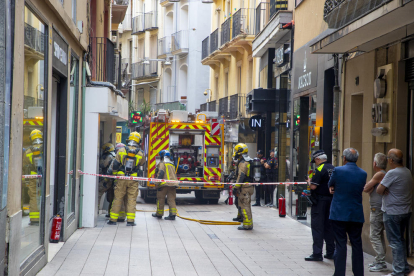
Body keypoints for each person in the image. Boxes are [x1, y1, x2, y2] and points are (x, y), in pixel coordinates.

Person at [328, 148, 367, 276]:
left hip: (339, 213)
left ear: (344, 158)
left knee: (340, 244)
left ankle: (339, 273)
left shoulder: (338, 170)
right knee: (356, 244)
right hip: (355, 213)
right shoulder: (363, 173)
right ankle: (358, 273)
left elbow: (331, 183)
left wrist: (333, 188)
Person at [377, 149, 413, 276]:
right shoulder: (407, 171)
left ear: (391, 160)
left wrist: (385, 187)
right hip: (405, 210)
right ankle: (403, 268)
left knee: (395, 242)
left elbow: (379, 190)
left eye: (388, 158)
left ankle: (398, 271)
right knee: (400, 240)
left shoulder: (392, 173)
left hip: (393, 211)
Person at [108, 132, 145, 226]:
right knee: (131, 199)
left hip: (121, 178)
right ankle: (130, 221)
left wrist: (115, 177)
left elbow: (115, 165)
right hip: (133, 179)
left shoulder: (121, 150)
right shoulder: (140, 153)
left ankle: (113, 220)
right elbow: (142, 164)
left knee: (118, 198)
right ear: (138, 141)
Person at [304, 150, 335, 262]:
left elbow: (313, 187)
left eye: (315, 161)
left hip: (320, 202)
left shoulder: (320, 169)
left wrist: (309, 181)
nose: (315, 163)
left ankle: (317, 253)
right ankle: (331, 252)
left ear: (318, 159)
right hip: (331, 201)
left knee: (317, 227)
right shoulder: (333, 168)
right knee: (329, 226)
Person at [363, 153, 387, 272]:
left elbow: (366, 188)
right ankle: (379, 260)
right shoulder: (384, 174)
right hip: (380, 208)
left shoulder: (379, 174)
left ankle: (380, 261)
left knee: (374, 236)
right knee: (379, 235)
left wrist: (369, 186)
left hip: (377, 209)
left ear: (375, 164)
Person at [22, 129, 44, 226]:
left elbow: (24, 166)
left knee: (34, 196)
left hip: (33, 177)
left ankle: (35, 219)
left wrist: (24, 181)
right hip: (44, 176)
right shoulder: (45, 148)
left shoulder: (28, 151)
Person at [152, 150, 179, 220]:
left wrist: (157, 183)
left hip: (164, 184)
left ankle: (159, 214)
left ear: (162, 156)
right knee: (171, 199)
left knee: (160, 199)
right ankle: (172, 215)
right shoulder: (172, 164)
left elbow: (160, 173)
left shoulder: (162, 163)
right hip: (173, 185)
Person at [233, 143, 254, 230]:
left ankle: (247, 225)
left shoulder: (243, 162)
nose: (235, 153)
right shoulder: (249, 160)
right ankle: (249, 223)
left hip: (244, 188)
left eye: (236, 151)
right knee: (247, 205)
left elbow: (241, 176)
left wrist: (236, 187)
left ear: (240, 152)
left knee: (244, 206)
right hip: (249, 186)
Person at [98, 143, 115, 212]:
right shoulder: (114, 155)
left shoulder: (109, 156)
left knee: (99, 192)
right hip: (112, 179)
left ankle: (96, 208)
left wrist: (101, 159)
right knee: (111, 197)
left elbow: (103, 165)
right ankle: (110, 212)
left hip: (107, 179)